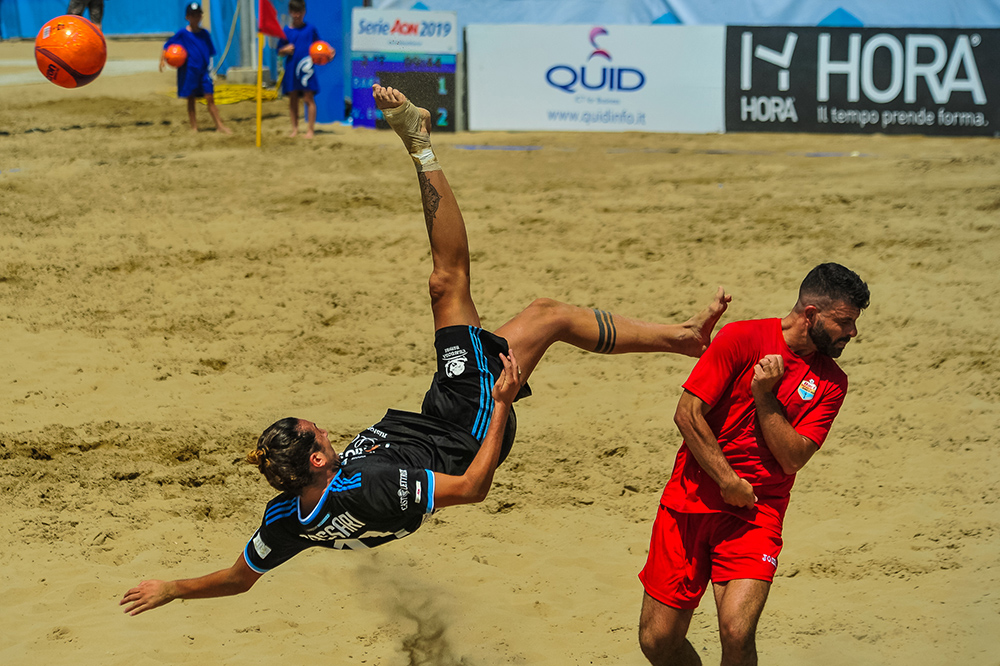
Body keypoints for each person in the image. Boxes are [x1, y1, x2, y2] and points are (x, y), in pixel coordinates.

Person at [120, 84, 731, 616]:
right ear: (314, 461)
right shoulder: (368, 487)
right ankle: (419, 143)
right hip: (466, 427)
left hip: (436, 415)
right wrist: (501, 405)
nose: (329, 435)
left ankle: (683, 339)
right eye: (322, 437)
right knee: (448, 281)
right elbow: (470, 489)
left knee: (547, 317)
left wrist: (173, 588)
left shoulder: (284, 521)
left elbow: (238, 580)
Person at [637, 262, 870, 666]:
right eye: (844, 322)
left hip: (755, 515)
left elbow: (793, 457)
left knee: (737, 632)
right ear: (812, 314)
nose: (852, 332)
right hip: (687, 504)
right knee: (657, 641)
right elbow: (687, 414)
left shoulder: (833, 381)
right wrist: (727, 480)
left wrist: (765, 397)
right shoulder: (742, 337)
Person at [159, 3, 231, 134]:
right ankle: (194, 127)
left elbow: (210, 53)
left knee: (210, 98)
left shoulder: (204, 34)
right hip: (189, 72)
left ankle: (219, 125)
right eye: (193, 15)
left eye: (198, 15)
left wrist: (211, 71)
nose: (196, 18)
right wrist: (162, 60)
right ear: (187, 17)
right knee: (191, 99)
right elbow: (167, 45)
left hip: (203, 72)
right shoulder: (183, 33)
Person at [277, 0, 321, 138]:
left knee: (309, 98)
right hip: (291, 69)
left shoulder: (310, 29)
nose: (297, 15)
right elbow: (278, 51)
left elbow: (320, 46)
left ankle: (310, 130)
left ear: (304, 12)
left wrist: (329, 51)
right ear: (290, 12)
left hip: (306, 69)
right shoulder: (286, 31)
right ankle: (295, 129)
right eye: (294, 12)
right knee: (293, 99)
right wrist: (285, 49)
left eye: (299, 12)